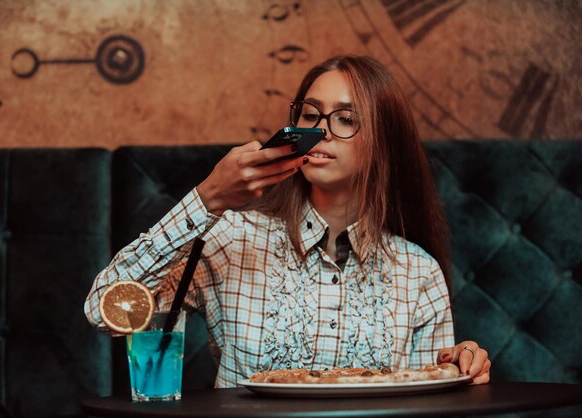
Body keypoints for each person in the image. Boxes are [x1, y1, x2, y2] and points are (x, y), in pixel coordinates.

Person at [85, 55, 491, 388]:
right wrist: (207, 199)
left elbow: (431, 404)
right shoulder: (232, 238)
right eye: (311, 116)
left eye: (346, 119)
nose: (321, 132)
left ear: (384, 143)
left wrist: (460, 368)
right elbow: (102, 313)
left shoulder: (417, 271)